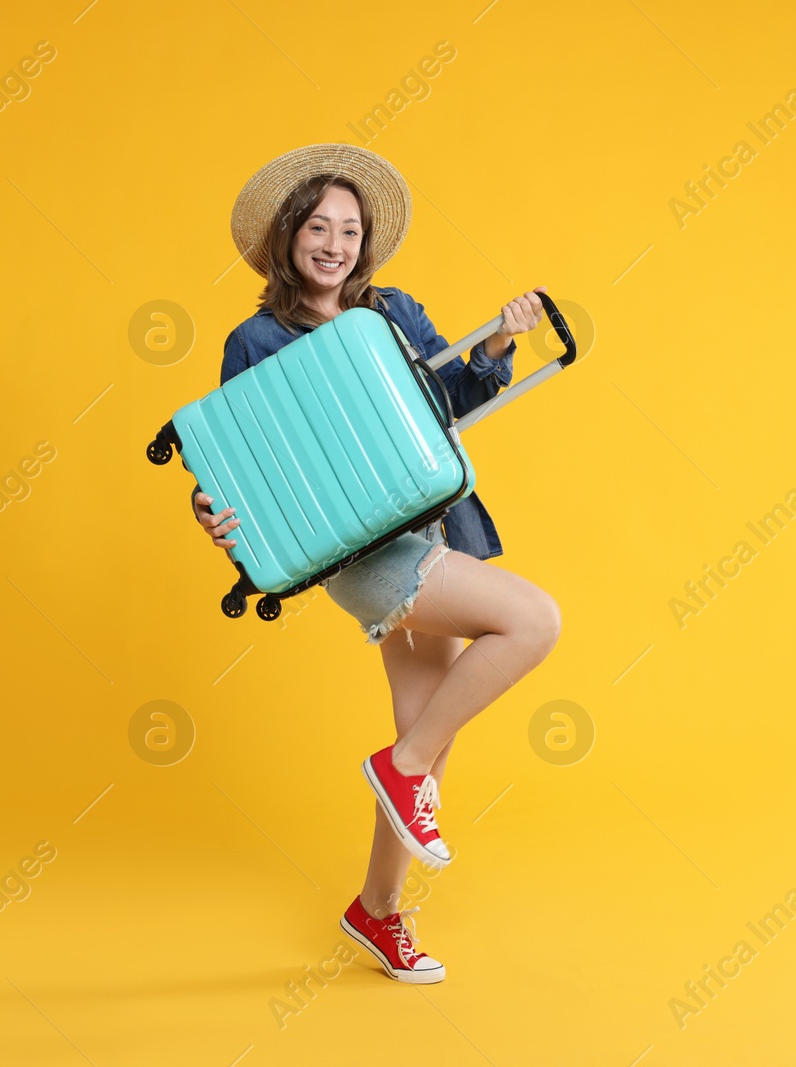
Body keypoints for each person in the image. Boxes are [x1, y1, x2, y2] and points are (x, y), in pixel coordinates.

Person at [194, 143, 562, 984]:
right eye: (318, 226)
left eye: (350, 229)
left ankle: (378, 911)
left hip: (439, 529)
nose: (334, 243)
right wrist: (211, 514)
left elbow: (454, 402)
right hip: (362, 550)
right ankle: (398, 773)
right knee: (533, 621)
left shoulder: (394, 312)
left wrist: (501, 344)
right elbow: (226, 460)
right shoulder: (256, 339)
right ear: (288, 238)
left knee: (426, 733)